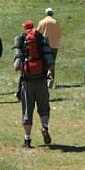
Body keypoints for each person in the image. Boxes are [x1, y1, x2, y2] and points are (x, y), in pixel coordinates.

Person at [14, 20, 55, 148]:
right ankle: (44, 127)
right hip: (42, 80)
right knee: (44, 108)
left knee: (27, 110)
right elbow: (50, 61)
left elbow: (16, 67)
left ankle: (27, 139)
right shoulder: (41, 39)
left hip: (28, 81)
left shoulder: (22, 40)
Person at [37, 8, 61, 88]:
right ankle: (51, 79)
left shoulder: (42, 22)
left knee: (44, 62)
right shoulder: (55, 22)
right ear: (52, 14)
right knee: (52, 63)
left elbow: (37, 33)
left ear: (46, 13)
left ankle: (44, 79)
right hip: (54, 45)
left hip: (45, 45)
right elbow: (59, 34)